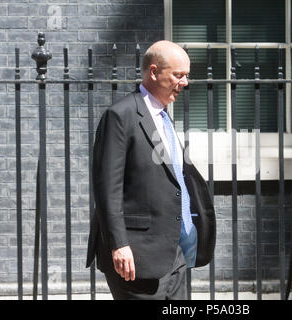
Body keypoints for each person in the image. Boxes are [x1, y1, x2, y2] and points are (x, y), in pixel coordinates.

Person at [86, 40, 215, 300]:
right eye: (179, 75)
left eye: (187, 76)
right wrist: (119, 245)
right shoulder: (120, 116)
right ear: (154, 72)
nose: (185, 83)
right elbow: (106, 189)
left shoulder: (164, 118)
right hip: (136, 257)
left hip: (173, 255)